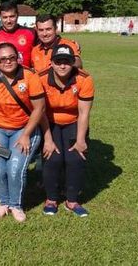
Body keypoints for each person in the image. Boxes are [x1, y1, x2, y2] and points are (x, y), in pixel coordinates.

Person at [0, 42, 45, 222]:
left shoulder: (30, 77)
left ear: (18, 58)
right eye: (3, 59)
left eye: (12, 57)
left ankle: (16, 205)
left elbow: (39, 109)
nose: (8, 61)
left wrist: (26, 135)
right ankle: (3, 202)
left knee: (14, 168)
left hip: (23, 128)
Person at [39, 45, 94, 217]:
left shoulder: (84, 79)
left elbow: (84, 112)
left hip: (74, 122)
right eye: (58, 62)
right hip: (49, 122)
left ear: (73, 63)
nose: (62, 66)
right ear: (51, 63)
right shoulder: (40, 79)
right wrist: (47, 139)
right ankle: (51, 199)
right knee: (52, 157)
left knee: (75, 158)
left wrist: (80, 140)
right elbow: (39, 111)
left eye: (67, 62)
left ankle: (72, 201)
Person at [0, 1, 37, 69]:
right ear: (0, 17)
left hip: (25, 78)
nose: (8, 21)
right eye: (5, 17)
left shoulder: (31, 33)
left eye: (12, 16)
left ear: (17, 15)